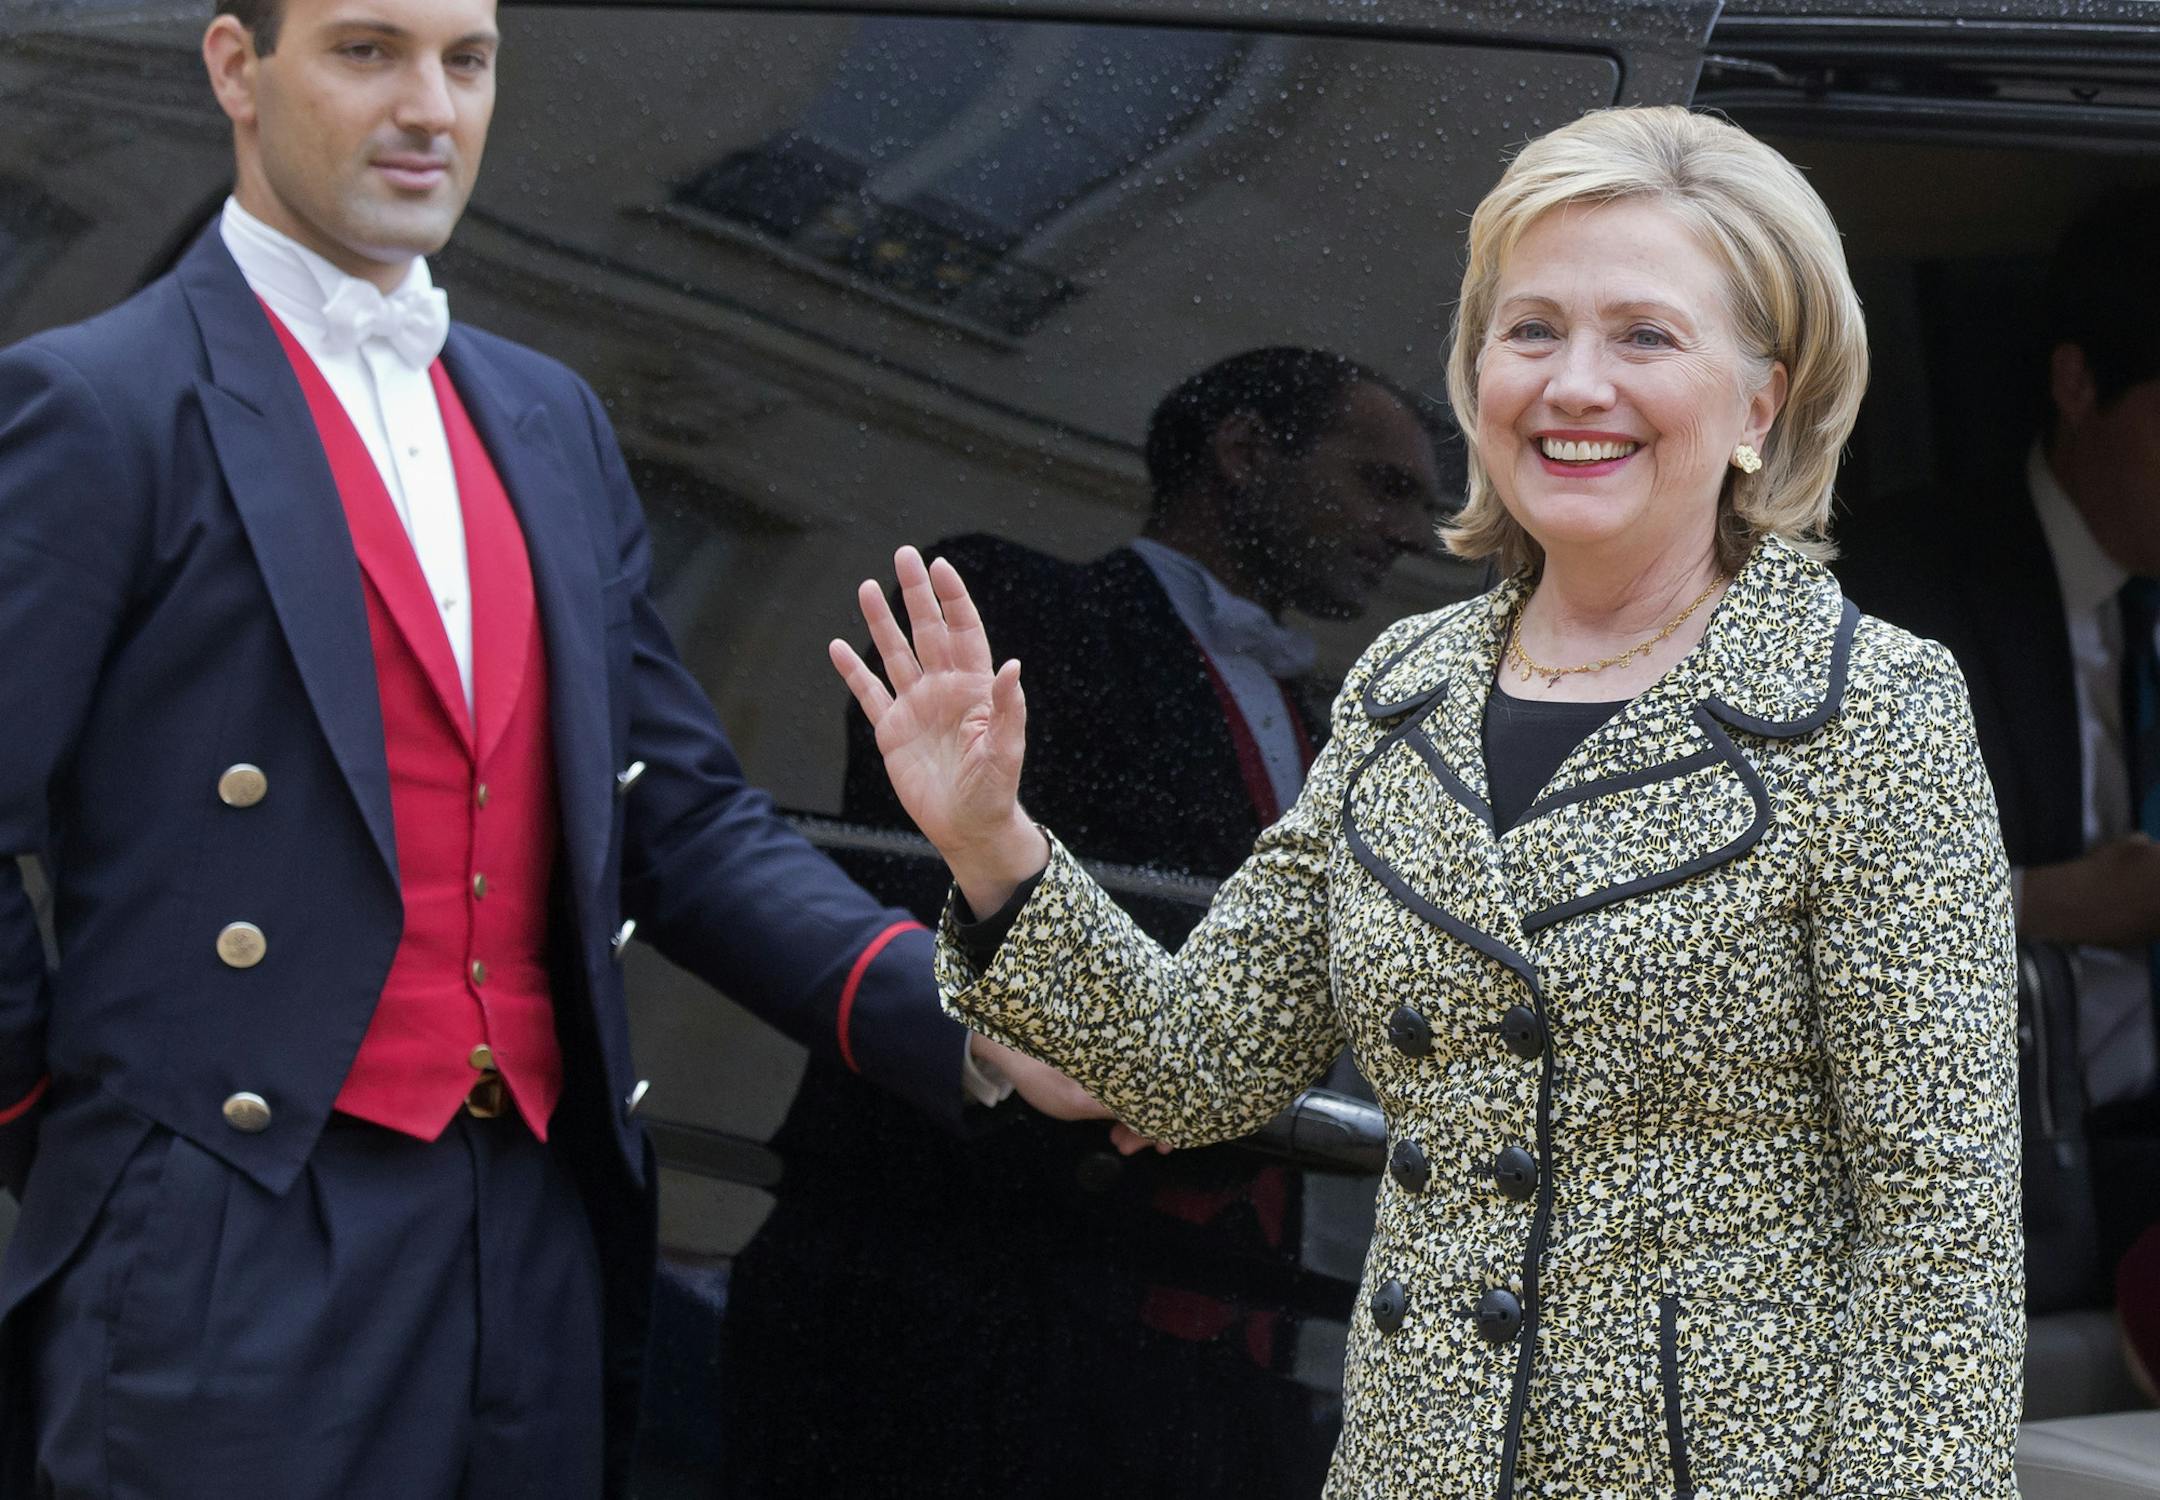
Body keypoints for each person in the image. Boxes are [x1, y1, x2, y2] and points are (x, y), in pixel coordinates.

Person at [837, 104, 2026, 1496]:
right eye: (1531, 332)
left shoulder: (1872, 705)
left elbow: (1939, 1236)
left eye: (1645, 336)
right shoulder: (1409, 681)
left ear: (1760, 402)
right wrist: (991, 838)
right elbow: (1196, 1062)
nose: (1575, 384)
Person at [0, 1, 1101, 1495]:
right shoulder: (104, 400)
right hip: (228, 1231)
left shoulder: (549, 420)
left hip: (527, 1222)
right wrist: (88, 1132)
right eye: (367, 50)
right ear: (235, 68)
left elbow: (686, 821)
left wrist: (963, 1015)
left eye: (467, 61)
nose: (429, 109)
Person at [719, 349, 1442, 1498]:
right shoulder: (1020, 610)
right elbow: (935, 883)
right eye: (1381, 484)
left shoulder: (1339, 723)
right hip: (968, 1295)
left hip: (1221, 1351)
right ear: (1247, 454)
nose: (1411, 532)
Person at [1837, 192, 2160, 1292]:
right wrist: (2047, 901)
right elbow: (1772, 903)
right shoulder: (1895, 592)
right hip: (2000, 1196)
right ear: (2080, 385)